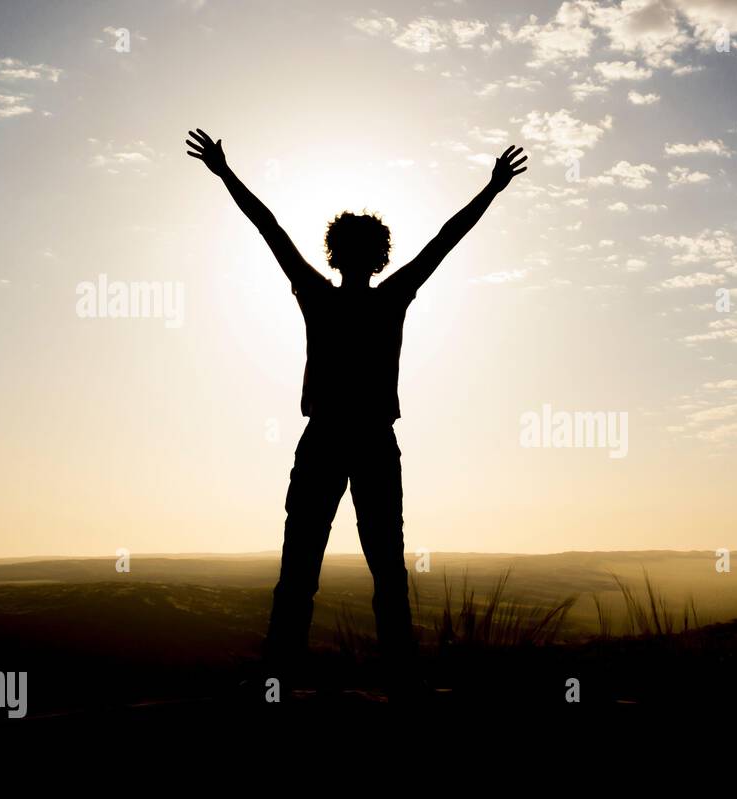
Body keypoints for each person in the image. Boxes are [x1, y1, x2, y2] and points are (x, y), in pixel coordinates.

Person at [185, 127, 527, 699]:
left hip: (334, 441)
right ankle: (398, 676)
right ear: (377, 256)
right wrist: (491, 190)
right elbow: (443, 241)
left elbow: (270, 228)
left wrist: (225, 174)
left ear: (337, 253)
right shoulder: (386, 297)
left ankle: (284, 675)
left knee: (308, 568)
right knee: (379, 567)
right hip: (364, 442)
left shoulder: (319, 294)